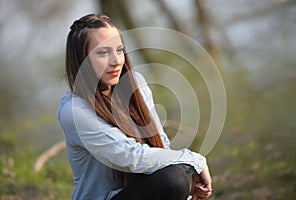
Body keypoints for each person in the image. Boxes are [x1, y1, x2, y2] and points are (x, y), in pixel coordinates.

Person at [57, 14, 212, 200]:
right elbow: (131, 157)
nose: (116, 60)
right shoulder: (74, 110)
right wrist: (195, 161)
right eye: (103, 52)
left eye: (119, 50)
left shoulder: (135, 84)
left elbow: (161, 145)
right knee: (172, 180)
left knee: (172, 178)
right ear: (82, 59)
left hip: (138, 191)